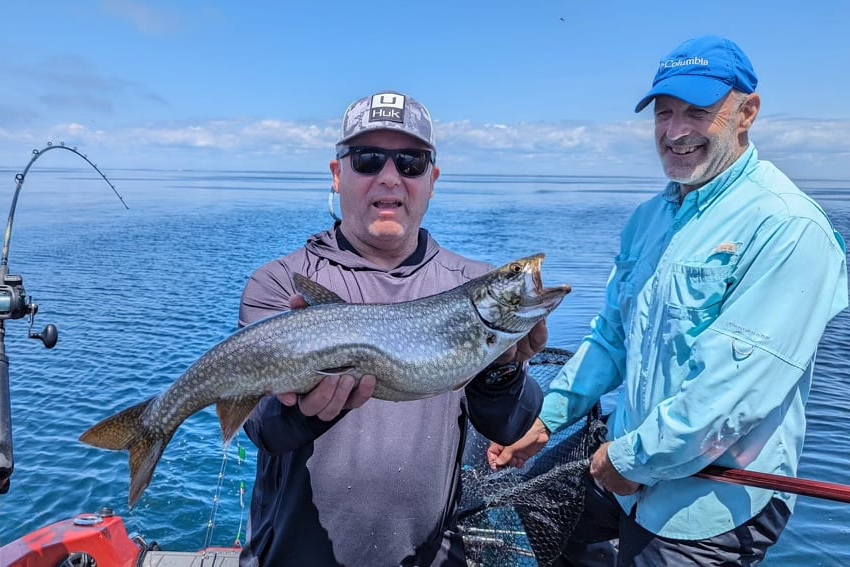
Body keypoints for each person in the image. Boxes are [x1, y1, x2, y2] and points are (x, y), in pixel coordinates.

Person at [489, 35, 849, 566]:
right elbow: (611, 337)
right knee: (545, 512)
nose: (676, 131)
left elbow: (732, 391)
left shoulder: (789, 227)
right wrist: (548, 419)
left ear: (746, 112)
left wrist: (632, 460)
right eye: (664, 113)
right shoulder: (648, 219)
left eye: (697, 112)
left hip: (710, 503)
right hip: (625, 470)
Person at [237, 90, 550, 566]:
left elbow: (510, 425)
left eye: (410, 162)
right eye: (367, 159)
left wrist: (502, 371)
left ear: (432, 180)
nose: (389, 176)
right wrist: (306, 409)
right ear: (338, 174)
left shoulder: (468, 283)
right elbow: (264, 429)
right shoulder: (282, 283)